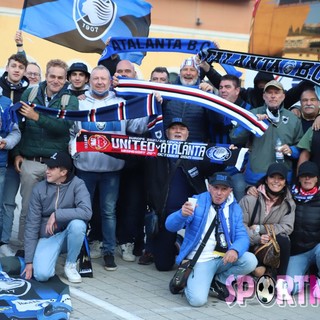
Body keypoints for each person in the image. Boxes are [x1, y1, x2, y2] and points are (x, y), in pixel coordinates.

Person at [70, 65, 148, 270]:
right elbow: (71, 132)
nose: (99, 82)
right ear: (90, 81)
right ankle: (80, 251)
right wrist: (74, 150)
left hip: (112, 169)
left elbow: (138, 127)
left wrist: (149, 106)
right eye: (95, 78)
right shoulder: (79, 104)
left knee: (108, 211)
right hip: (85, 167)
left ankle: (108, 253)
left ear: (109, 81)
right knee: (83, 212)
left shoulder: (120, 104)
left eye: (103, 79)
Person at [139, 118, 223, 269]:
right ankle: (176, 242)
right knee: (163, 266)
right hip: (166, 215)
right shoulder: (155, 153)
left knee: (194, 261)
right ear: (166, 133)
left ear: (187, 134)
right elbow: (127, 150)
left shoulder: (198, 154)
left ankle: (180, 243)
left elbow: (215, 167)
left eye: (182, 129)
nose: (178, 131)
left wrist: (229, 153)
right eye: (174, 128)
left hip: (192, 214)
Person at [12, 59, 79, 246]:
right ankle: (25, 248)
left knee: (51, 210)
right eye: (52, 76)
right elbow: (18, 126)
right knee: (27, 208)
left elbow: (63, 127)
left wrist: (37, 117)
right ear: (46, 76)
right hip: (31, 161)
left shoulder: (70, 100)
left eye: (60, 77)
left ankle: (46, 247)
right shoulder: (30, 92)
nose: (55, 81)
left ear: (65, 79)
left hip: (56, 165)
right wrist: (16, 153)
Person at [166, 172, 257, 307]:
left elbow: (242, 236)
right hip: (201, 259)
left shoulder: (234, 207)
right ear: (209, 187)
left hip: (223, 257)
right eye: (216, 188)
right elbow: (170, 226)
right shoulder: (196, 202)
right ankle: (191, 282)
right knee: (198, 301)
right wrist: (181, 214)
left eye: (224, 189)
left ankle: (219, 281)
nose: (219, 193)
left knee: (250, 260)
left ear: (230, 191)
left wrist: (235, 250)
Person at [22, 151, 92, 283]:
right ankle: (48, 258)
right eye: (47, 167)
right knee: (41, 275)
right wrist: (29, 261)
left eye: (52, 168)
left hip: (68, 235)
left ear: (63, 172)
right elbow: (32, 225)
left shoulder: (78, 184)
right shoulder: (39, 188)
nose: (47, 171)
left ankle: (70, 264)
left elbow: (87, 212)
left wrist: (57, 214)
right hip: (48, 237)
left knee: (78, 225)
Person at [230, 80, 304, 186]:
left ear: (283, 96)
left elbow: (301, 148)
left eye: (276, 92)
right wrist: (251, 123)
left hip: (282, 178)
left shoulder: (293, 119)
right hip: (255, 177)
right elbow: (235, 137)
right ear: (264, 96)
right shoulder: (253, 114)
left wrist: (291, 150)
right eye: (269, 93)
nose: (273, 96)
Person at [240, 162, 296, 278]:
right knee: (257, 270)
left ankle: (281, 281)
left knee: (284, 239)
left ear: (285, 182)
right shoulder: (250, 198)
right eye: (272, 177)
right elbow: (239, 225)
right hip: (249, 241)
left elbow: (287, 227)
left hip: (270, 243)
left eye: (281, 178)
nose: (276, 181)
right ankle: (259, 271)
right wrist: (257, 238)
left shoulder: (289, 203)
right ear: (266, 179)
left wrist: (263, 229)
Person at [212, 74, 251, 201]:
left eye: (227, 87)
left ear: (237, 90)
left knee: (240, 204)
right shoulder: (212, 106)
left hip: (237, 170)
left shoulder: (248, 110)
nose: (223, 90)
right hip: (214, 167)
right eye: (221, 87)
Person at [286, 161, 320, 296]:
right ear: (299, 178)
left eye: (311, 176)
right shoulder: (288, 195)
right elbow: (270, 190)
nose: (307, 179)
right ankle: (304, 275)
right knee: (290, 289)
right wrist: (251, 189)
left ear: (317, 178)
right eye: (304, 175)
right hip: (298, 250)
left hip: (318, 247)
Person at [0, 94, 21, 257]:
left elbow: (15, 132)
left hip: (3, 162)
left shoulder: (6, 102)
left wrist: (6, 142)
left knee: (5, 205)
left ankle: (3, 242)